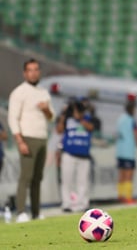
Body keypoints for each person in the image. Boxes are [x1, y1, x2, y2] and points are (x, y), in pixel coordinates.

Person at [8, 59, 55, 223]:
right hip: (27, 137)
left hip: (42, 137)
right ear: (24, 73)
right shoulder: (19, 92)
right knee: (26, 176)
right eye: (30, 70)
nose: (33, 73)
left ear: (39, 72)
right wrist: (19, 140)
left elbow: (51, 117)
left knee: (37, 177)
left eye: (36, 69)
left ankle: (36, 212)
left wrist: (46, 109)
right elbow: (13, 118)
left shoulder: (43, 92)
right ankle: (21, 211)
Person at [57, 100, 94, 213]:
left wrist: (81, 118)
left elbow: (91, 128)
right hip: (69, 154)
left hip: (84, 155)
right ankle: (67, 203)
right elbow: (59, 130)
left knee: (83, 181)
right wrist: (64, 116)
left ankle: (83, 203)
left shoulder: (86, 118)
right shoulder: (67, 119)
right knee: (66, 180)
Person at [115, 101, 137, 204]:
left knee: (121, 174)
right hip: (129, 151)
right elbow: (136, 134)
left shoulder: (120, 119)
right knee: (129, 175)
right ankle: (128, 197)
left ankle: (120, 195)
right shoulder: (131, 120)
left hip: (120, 151)